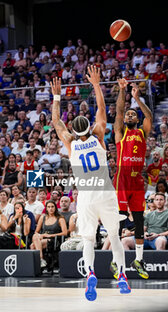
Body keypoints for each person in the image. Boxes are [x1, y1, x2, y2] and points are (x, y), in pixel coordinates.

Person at [50, 66, 131, 300]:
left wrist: (57, 96)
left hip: (85, 196)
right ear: (89, 127)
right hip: (105, 193)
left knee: (87, 239)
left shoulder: (70, 143)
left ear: (74, 131)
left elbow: (56, 122)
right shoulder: (98, 137)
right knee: (114, 236)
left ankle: (90, 276)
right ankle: (122, 275)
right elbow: (103, 109)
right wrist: (96, 84)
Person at [113, 76, 152, 280]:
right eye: (127, 113)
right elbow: (119, 110)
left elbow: (149, 117)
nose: (128, 114)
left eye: (132, 114)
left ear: (136, 119)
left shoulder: (142, 132)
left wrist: (137, 99)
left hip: (137, 180)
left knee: (138, 220)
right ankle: (115, 258)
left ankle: (138, 260)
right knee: (119, 219)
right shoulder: (120, 132)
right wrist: (122, 90)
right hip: (122, 177)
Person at [31, 200, 67, 268]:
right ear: (46, 208)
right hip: (42, 239)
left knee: (33, 246)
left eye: (52, 207)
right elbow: (36, 231)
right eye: (49, 207)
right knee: (35, 235)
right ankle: (41, 260)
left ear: (55, 208)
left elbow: (64, 232)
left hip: (54, 240)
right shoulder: (43, 217)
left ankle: (38, 262)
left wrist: (50, 235)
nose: (51, 208)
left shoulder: (60, 218)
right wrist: (40, 236)